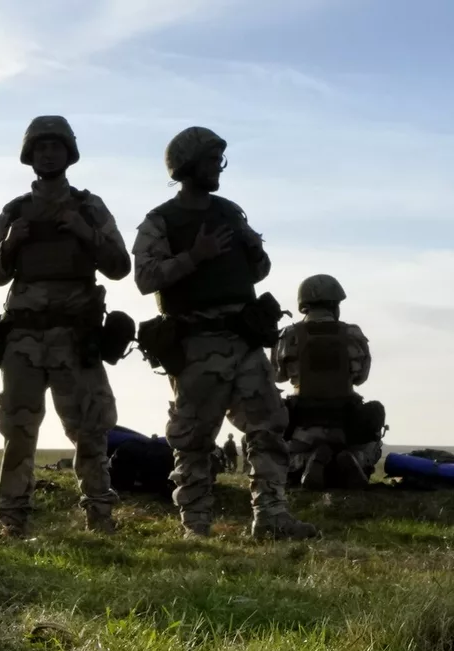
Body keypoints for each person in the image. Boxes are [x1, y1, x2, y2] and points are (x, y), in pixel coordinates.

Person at [132, 126, 317, 540]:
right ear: (187, 166)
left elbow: (257, 270)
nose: (218, 168)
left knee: (268, 426)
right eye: (212, 161)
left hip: (244, 339)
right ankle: (195, 526)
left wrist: (254, 252)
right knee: (194, 439)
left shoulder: (229, 212)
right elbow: (145, 278)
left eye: (220, 161)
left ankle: (271, 515)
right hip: (198, 344)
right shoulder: (161, 220)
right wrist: (194, 257)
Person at [0, 116, 129, 537]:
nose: (48, 154)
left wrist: (86, 234)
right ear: (29, 155)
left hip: (75, 334)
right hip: (25, 337)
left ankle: (99, 515)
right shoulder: (13, 211)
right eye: (41, 147)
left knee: (91, 429)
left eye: (56, 147)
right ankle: (10, 517)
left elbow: (119, 266)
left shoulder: (89, 207)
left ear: (69, 153)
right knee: (18, 430)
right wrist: (11, 243)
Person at [275, 274, 381, 488]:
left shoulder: (288, 335)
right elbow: (361, 378)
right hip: (346, 423)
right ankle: (354, 461)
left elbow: (278, 375)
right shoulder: (352, 334)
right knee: (373, 426)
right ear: (335, 305)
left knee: (277, 454)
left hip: (301, 426)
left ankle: (306, 462)